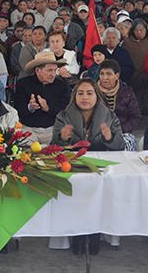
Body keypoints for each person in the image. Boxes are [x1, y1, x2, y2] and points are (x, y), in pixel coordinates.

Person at [52, 78, 124, 255]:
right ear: (74, 96)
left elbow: (120, 147)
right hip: (74, 168)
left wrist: (109, 138)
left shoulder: (109, 116)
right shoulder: (63, 116)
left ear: (97, 96)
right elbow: (54, 149)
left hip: (102, 170)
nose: (85, 97)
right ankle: (77, 234)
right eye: (80, 93)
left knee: (98, 196)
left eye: (89, 93)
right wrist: (63, 138)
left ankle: (94, 233)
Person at [14, 50, 70, 145]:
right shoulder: (23, 84)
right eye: (49, 70)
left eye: (55, 70)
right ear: (37, 71)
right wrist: (30, 108)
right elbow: (17, 111)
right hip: (29, 130)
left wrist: (48, 108)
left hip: (53, 129)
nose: (53, 74)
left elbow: (65, 112)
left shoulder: (62, 86)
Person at [97, 60, 142, 150]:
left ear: (117, 76)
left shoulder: (126, 92)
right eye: (102, 74)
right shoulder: (92, 91)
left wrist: (119, 130)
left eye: (109, 74)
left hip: (122, 133)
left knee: (126, 146)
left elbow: (135, 117)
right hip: (96, 133)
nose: (104, 78)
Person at [123, 19, 148, 113]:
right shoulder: (128, 42)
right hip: (135, 74)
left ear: (146, 30)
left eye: (141, 30)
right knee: (137, 97)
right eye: (136, 30)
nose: (139, 32)